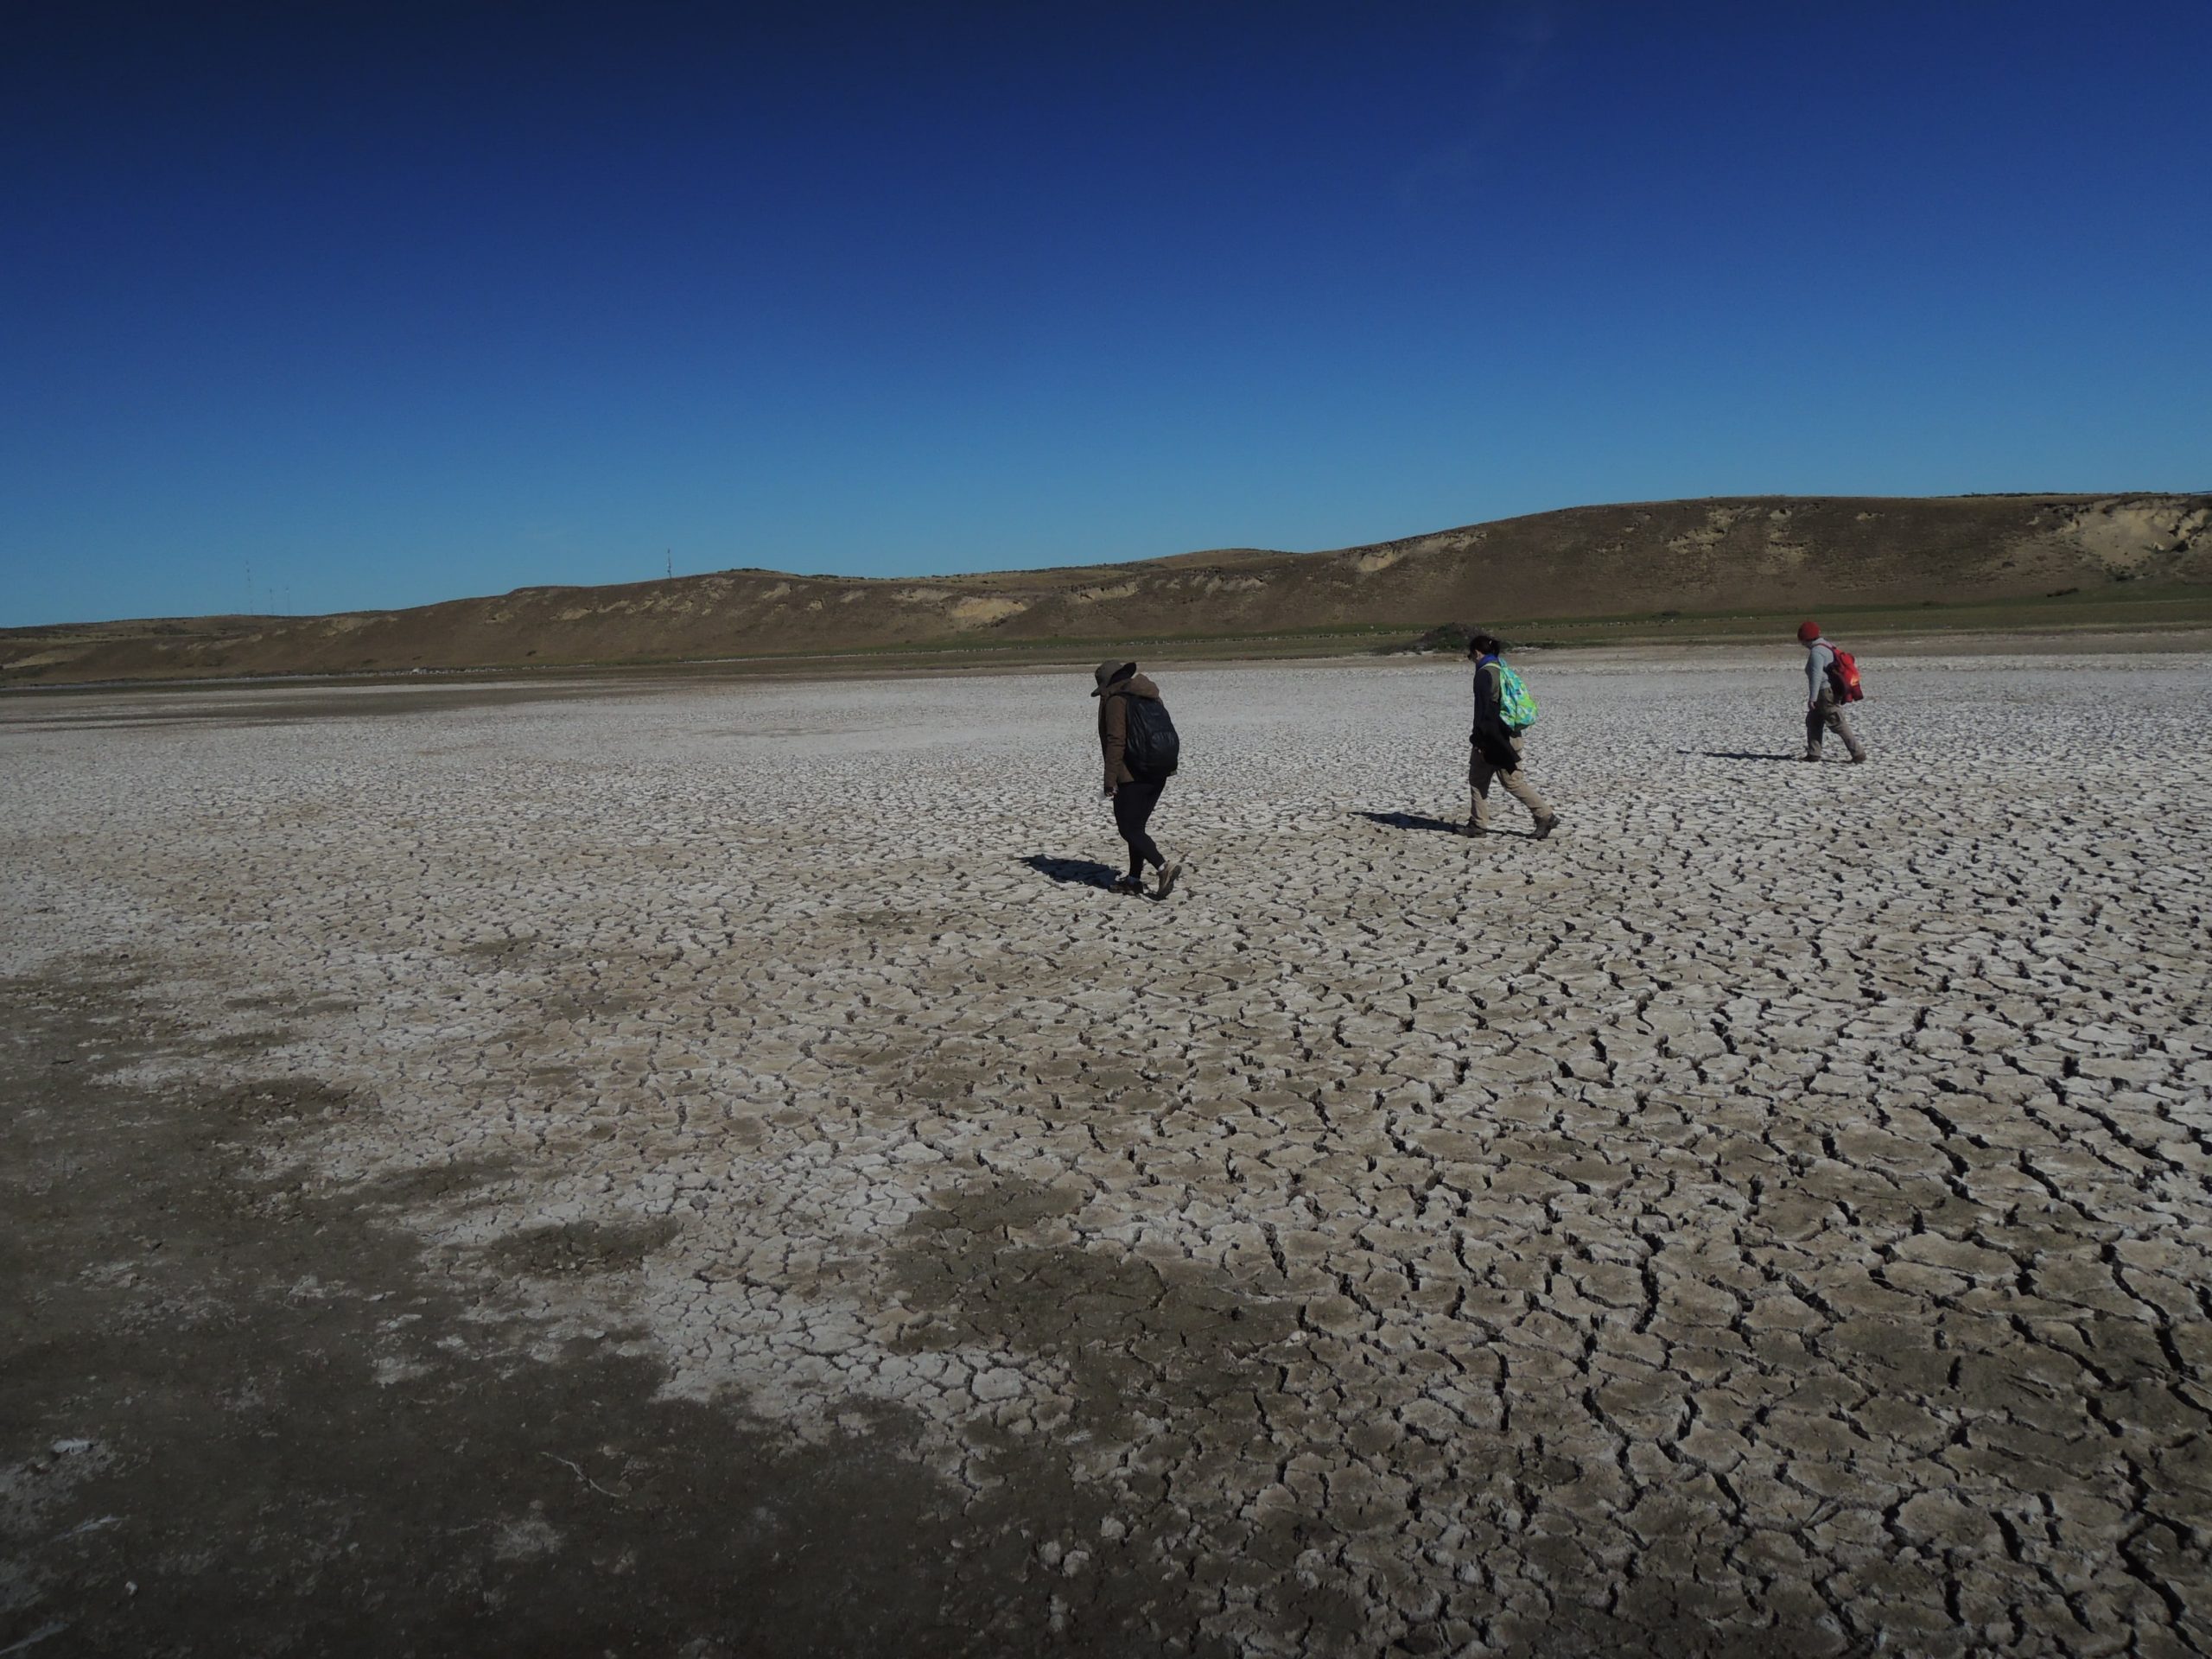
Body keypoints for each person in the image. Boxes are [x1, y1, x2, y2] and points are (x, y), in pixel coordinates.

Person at [1092, 661, 1183, 897]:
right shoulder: (1150, 695)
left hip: (1131, 775)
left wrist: (1109, 780)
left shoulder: (1116, 701)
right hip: (1158, 771)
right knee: (1137, 828)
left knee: (1129, 829)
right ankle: (1133, 880)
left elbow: (1116, 741)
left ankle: (1163, 867)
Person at [1466, 633, 1557, 839]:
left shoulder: (1483, 674)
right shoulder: (1502, 668)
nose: (1471, 661)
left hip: (1495, 739)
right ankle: (1478, 823)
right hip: (1510, 734)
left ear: (1477, 653)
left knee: (1511, 782)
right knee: (1479, 779)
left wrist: (1479, 740)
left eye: (1471, 656)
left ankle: (1545, 815)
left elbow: (1482, 712)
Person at [1796, 620, 1866, 763]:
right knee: (1814, 721)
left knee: (1837, 723)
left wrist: (1812, 698)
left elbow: (1816, 677)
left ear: (1805, 638)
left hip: (1824, 693)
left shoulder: (1817, 652)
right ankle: (1813, 753)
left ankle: (1858, 754)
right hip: (1830, 690)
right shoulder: (1827, 646)